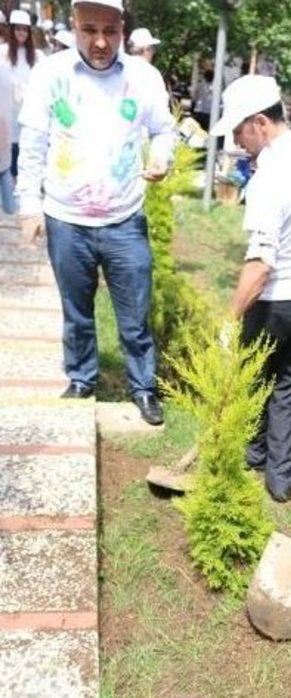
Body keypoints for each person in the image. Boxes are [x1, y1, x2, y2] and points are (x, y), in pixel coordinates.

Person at [16, 0, 175, 425]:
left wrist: (162, 157)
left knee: (134, 314)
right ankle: (83, 378)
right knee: (76, 310)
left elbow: (163, 130)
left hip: (125, 218)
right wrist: (29, 205)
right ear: (74, 26)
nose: (101, 41)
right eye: (90, 30)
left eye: (110, 30)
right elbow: (32, 143)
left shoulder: (143, 76)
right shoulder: (51, 73)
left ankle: (143, 387)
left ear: (123, 27)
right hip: (66, 218)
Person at [212, 75, 291, 502]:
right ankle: (280, 479)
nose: (236, 139)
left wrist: (230, 319)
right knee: (286, 386)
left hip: (278, 302)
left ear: (260, 122)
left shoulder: (269, 176)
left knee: (255, 380)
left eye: (238, 129)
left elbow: (262, 264)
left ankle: (250, 453)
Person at [0, 10, 44, 178]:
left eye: (25, 29)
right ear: (12, 30)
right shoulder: (2, 52)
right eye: (18, 29)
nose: (21, 33)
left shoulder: (37, 55)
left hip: (28, 111)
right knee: (8, 154)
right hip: (6, 112)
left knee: (27, 151)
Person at [0, 60, 14, 214]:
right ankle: (10, 211)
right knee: (5, 171)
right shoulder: (4, 68)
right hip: (4, 128)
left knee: (4, 172)